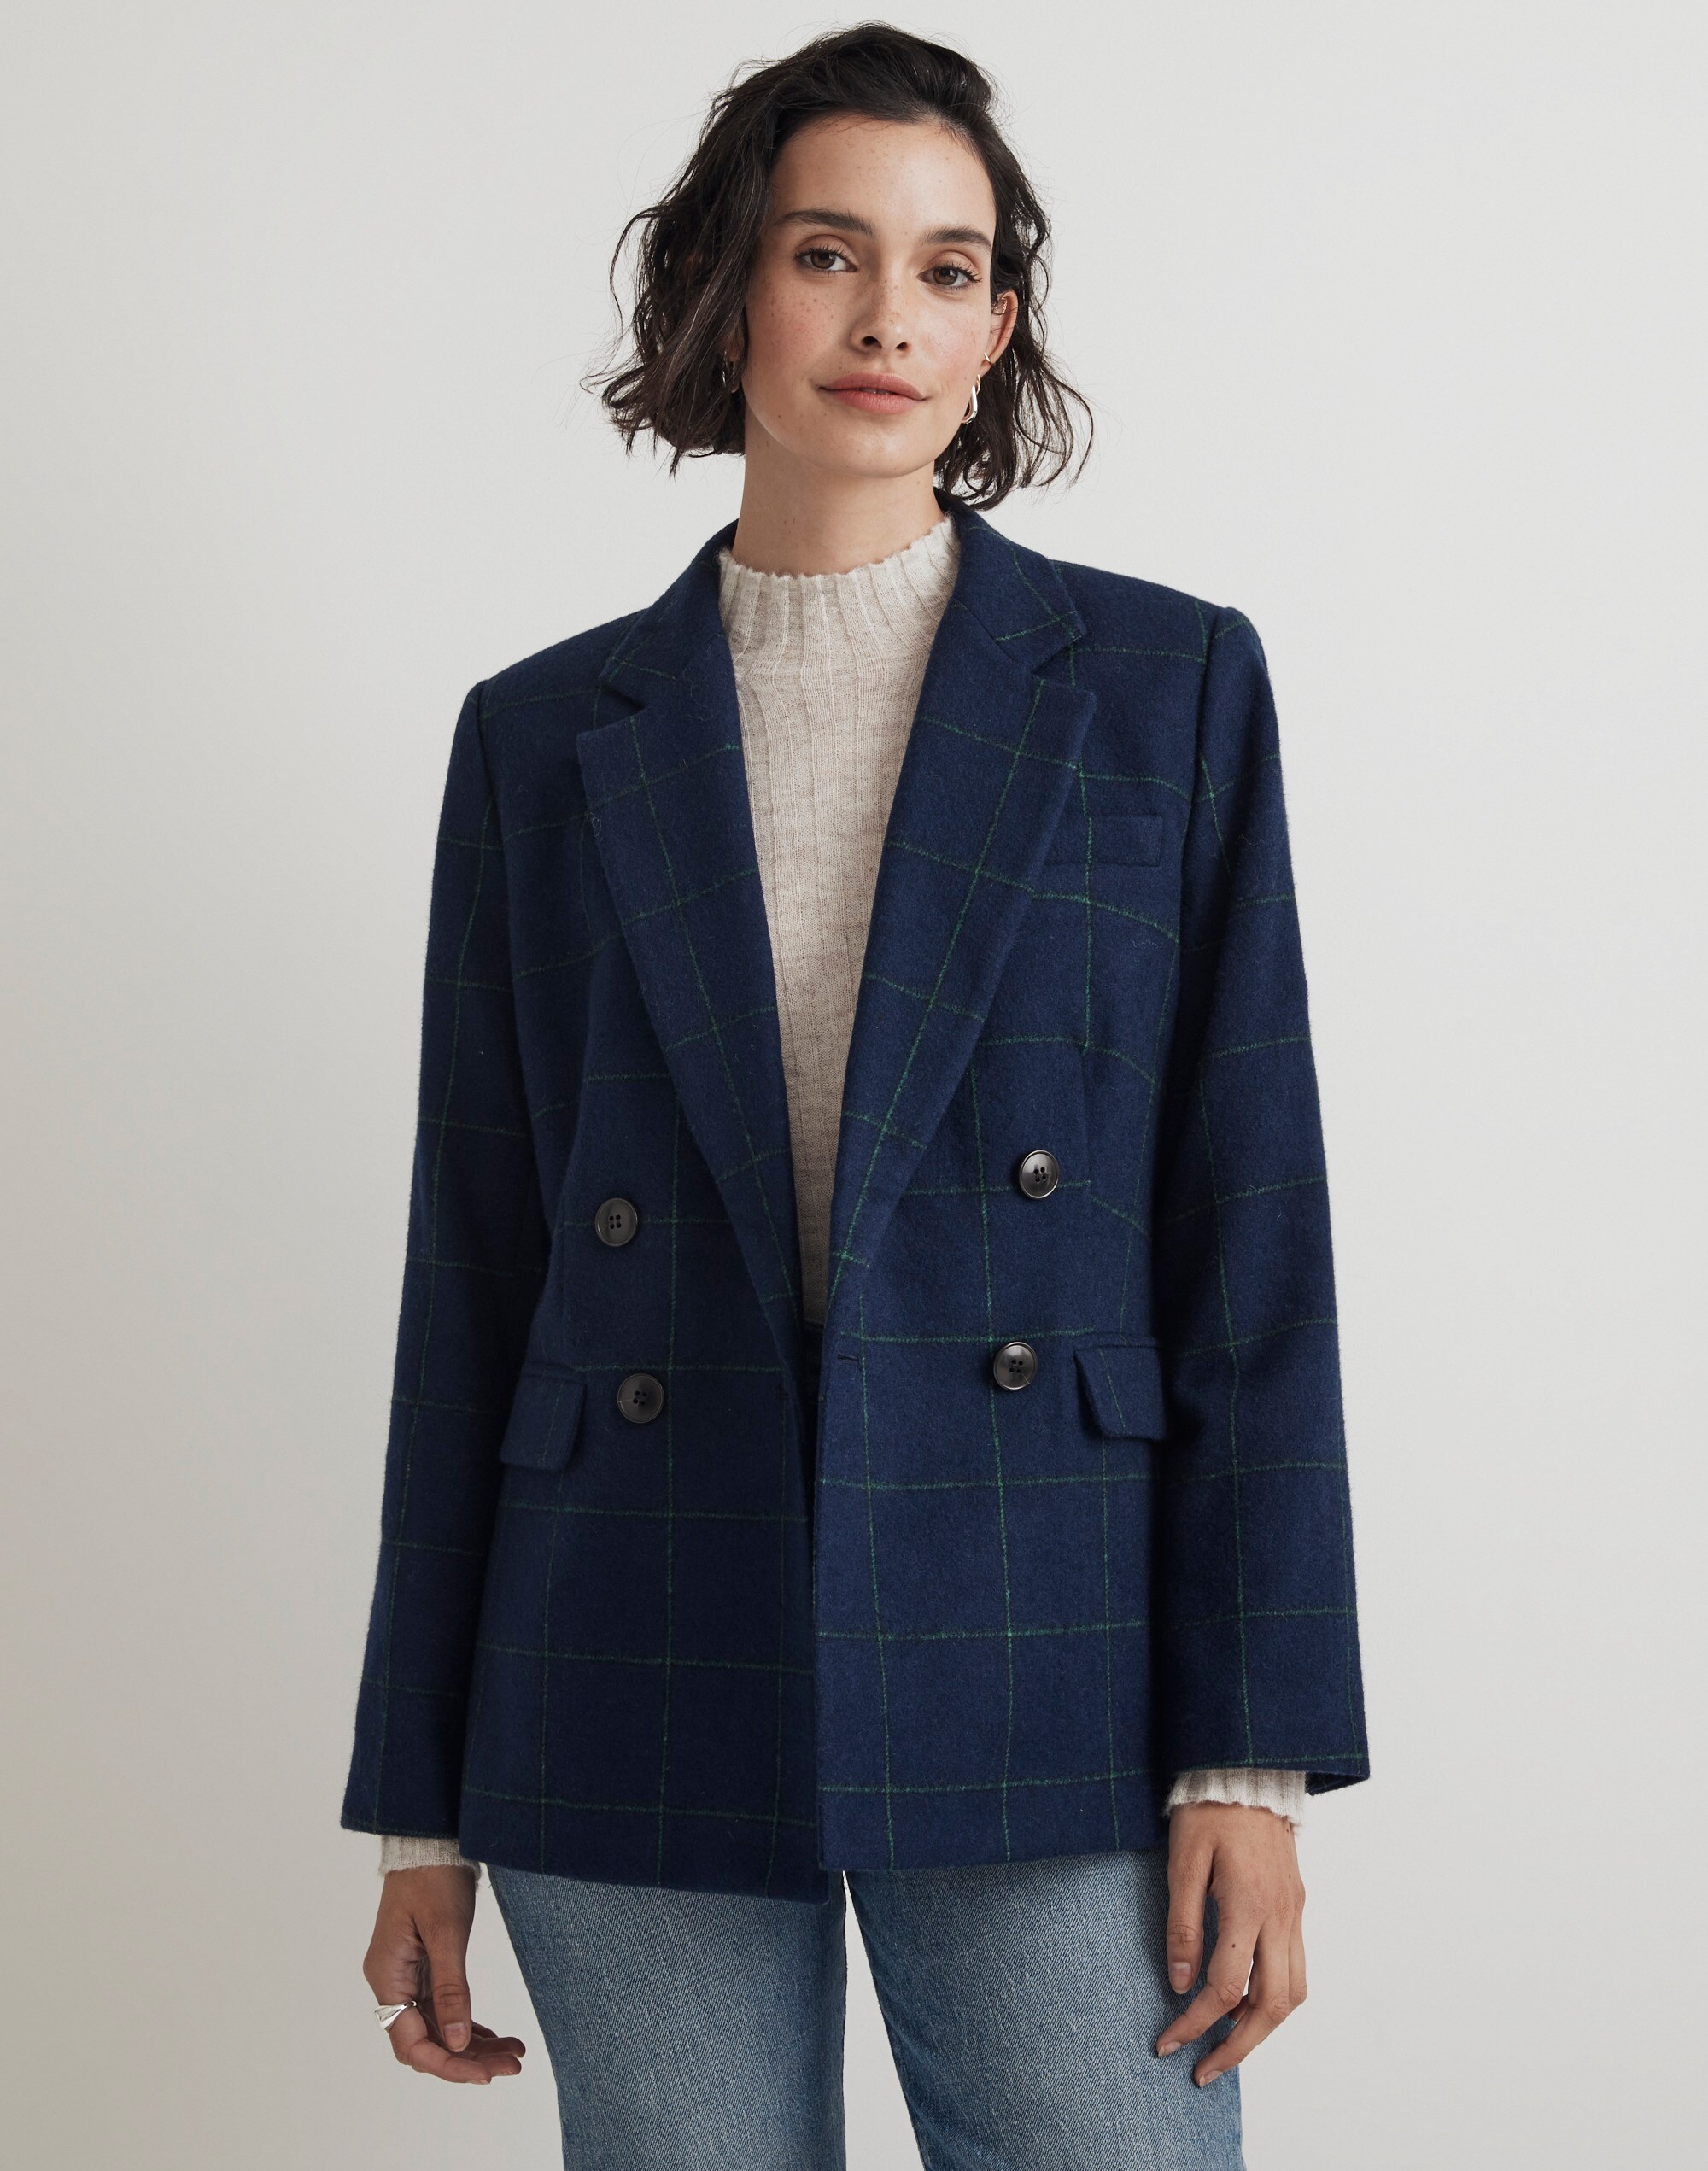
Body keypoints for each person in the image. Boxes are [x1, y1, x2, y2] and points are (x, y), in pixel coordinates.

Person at [342, 25, 1368, 2168]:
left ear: (998, 327)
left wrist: (1245, 1760)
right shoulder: (541, 738)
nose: (887, 315)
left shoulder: (1165, 688)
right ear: (725, 286)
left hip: (1045, 1628)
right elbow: (478, 1268)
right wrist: (419, 1801)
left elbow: (1247, 1226)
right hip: (624, 1627)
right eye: (826, 253)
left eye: (947, 267)